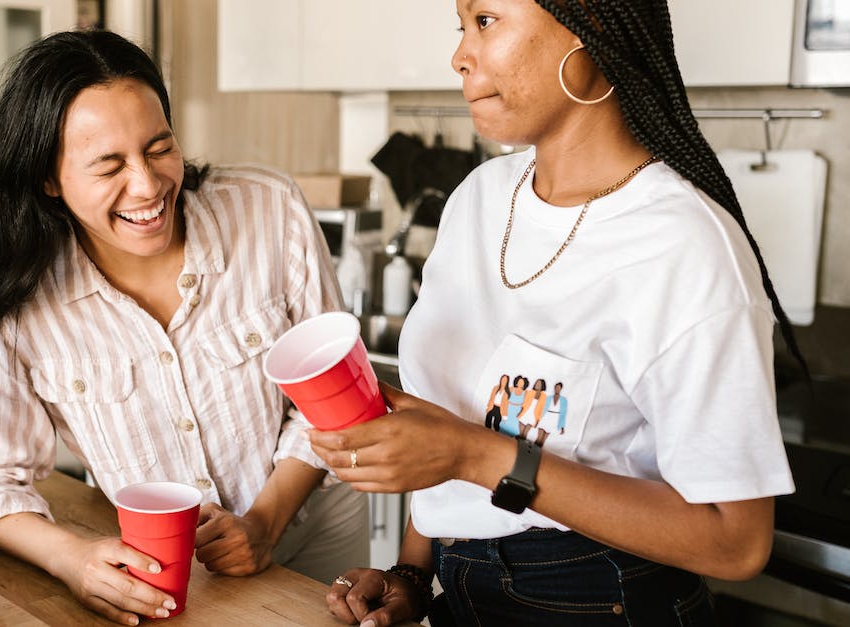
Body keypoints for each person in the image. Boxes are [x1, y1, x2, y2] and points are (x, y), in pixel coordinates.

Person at [310, 1, 803, 625]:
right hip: (463, 589)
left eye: (485, 22)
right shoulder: (479, 199)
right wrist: (414, 570)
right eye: (460, 28)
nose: (460, 55)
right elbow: (458, 415)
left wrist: (474, 455)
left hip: (600, 595)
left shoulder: (683, 245)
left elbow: (737, 541)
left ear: (589, 31)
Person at [0, 29, 367, 626]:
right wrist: (72, 560)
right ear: (48, 179)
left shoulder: (268, 208)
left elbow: (329, 402)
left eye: (159, 148)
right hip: (173, 584)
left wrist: (264, 521)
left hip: (315, 543)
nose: (148, 185)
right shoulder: (19, 298)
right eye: (109, 166)